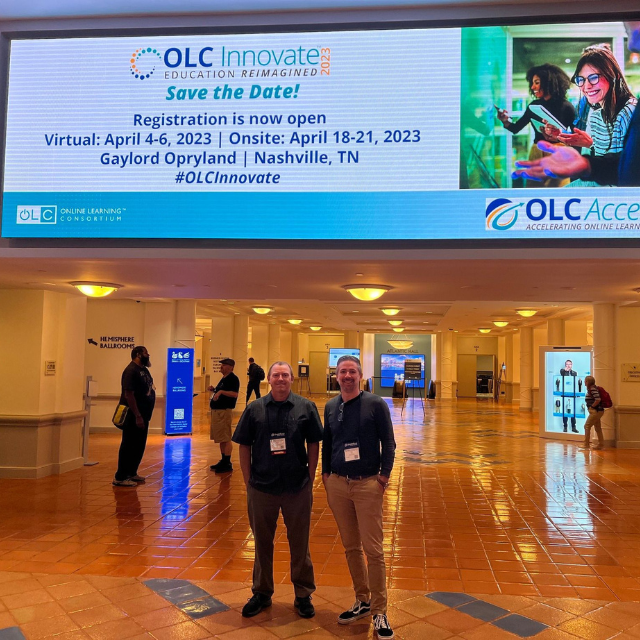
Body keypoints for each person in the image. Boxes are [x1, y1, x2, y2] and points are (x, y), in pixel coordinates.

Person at [232, 362, 324, 619]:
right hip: (262, 488)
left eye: (285, 375)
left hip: (297, 487)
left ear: (292, 379)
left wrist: (310, 474)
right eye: (276, 375)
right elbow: (243, 445)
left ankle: (303, 594)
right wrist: (248, 479)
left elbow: (315, 442)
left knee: (299, 542)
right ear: (268, 380)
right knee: (261, 542)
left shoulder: (306, 407)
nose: (280, 379)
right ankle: (262, 592)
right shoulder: (255, 409)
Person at [322, 356, 396, 640]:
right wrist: (326, 475)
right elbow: (328, 443)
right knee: (351, 547)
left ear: (361, 376)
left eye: (352, 371)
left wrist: (384, 476)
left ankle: (379, 611)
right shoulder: (331, 406)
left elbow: (388, 442)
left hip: (367, 484)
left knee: (373, 549)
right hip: (339, 483)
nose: (348, 376)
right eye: (343, 372)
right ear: (337, 376)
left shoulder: (375, 404)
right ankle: (362, 600)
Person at [513, 23, 640, 186]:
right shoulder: (595, 112)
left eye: (594, 78)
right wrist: (578, 144)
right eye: (581, 80)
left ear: (612, 76)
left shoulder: (628, 111)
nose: (587, 86)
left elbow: (626, 170)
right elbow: (608, 161)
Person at [496, 63, 575, 187]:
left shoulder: (567, 107)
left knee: (558, 192)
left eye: (537, 82)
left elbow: (576, 136)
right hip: (536, 152)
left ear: (549, 82)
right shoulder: (533, 105)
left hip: (558, 152)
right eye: (532, 83)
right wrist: (505, 121)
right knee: (533, 190)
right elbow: (516, 128)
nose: (532, 87)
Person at [113, 346, 155, 487]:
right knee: (129, 444)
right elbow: (129, 394)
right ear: (138, 354)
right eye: (145, 352)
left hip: (144, 414)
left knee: (139, 444)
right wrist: (137, 415)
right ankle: (120, 476)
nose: (148, 354)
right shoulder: (131, 371)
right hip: (133, 415)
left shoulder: (144, 370)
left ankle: (132, 472)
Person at [208, 358, 240, 474]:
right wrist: (214, 390)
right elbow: (220, 391)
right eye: (222, 364)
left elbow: (235, 394)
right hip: (217, 411)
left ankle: (227, 462)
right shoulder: (224, 379)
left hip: (224, 412)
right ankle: (223, 460)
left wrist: (221, 392)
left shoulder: (233, 379)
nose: (222, 366)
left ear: (231, 367)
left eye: (224, 365)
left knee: (225, 437)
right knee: (220, 437)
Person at [583, 376, 605, 450]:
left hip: (595, 411)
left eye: (585, 381)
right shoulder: (592, 389)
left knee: (587, 426)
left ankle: (586, 444)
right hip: (598, 411)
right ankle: (601, 444)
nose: (584, 382)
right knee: (597, 427)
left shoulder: (592, 389)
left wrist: (592, 407)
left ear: (588, 382)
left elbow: (598, 399)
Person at [560, 360, 579, 434]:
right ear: (565, 365)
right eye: (567, 364)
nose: (568, 366)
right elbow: (562, 373)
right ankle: (565, 426)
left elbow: (576, 383)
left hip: (572, 394)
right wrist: (565, 371)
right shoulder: (563, 371)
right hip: (565, 394)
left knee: (573, 411)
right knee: (565, 411)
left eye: (570, 364)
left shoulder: (574, 373)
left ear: (572, 365)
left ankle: (573, 427)